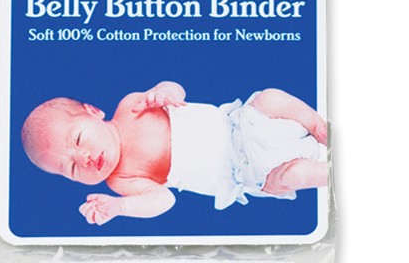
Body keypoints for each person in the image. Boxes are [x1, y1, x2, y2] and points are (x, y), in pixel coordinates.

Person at [21, 82, 327, 225]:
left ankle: (318, 127)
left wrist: (165, 93)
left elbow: (176, 89)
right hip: (250, 171)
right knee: (295, 174)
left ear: (93, 111)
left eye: (78, 139)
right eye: (72, 169)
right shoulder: (121, 179)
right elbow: (163, 200)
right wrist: (120, 207)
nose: (84, 158)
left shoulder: (131, 107)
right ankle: (331, 173)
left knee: (270, 97)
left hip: (245, 124)